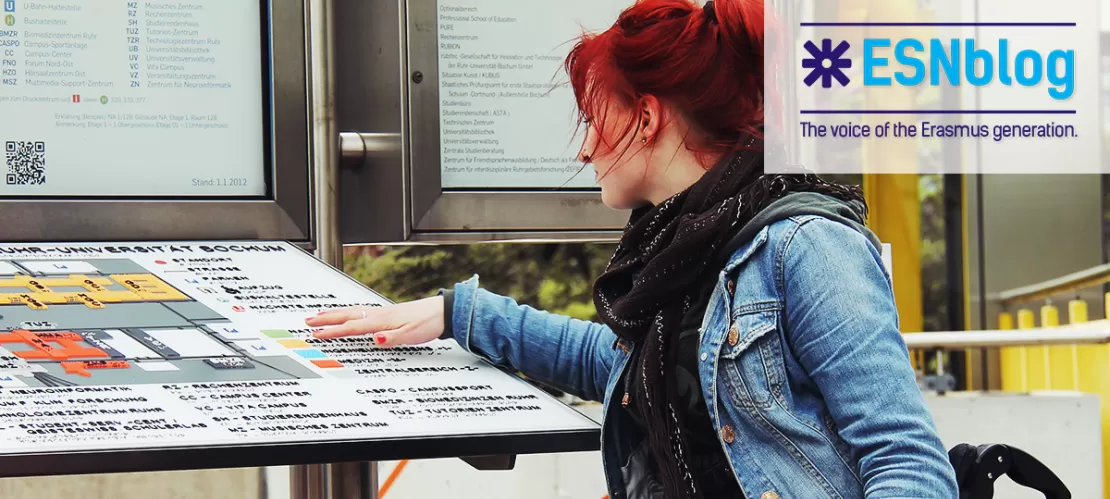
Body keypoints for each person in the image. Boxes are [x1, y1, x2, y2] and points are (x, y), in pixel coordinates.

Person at [307, 0, 960, 497]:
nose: (584, 148)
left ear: (646, 118)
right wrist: (462, 315)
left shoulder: (806, 245)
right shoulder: (680, 251)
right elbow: (630, 366)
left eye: (594, 119)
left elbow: (909, 462)